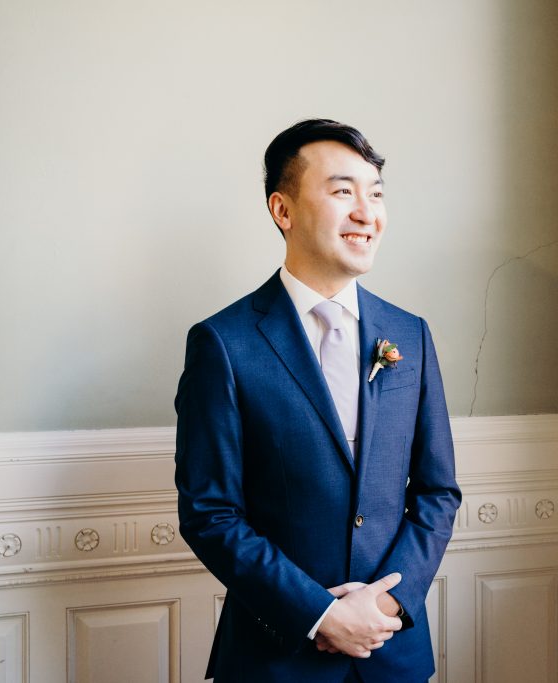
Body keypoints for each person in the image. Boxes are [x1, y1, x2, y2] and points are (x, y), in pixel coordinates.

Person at [174, 119, 461, 682]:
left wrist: (387, 606)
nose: (366, 211)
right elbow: (209, 515)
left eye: (375, 194)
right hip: (277, 659)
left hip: (393, 653)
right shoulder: (223, 344)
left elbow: (438, 491)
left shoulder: (411, 334)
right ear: (283, 211)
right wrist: (320, 614)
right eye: (342, 191)